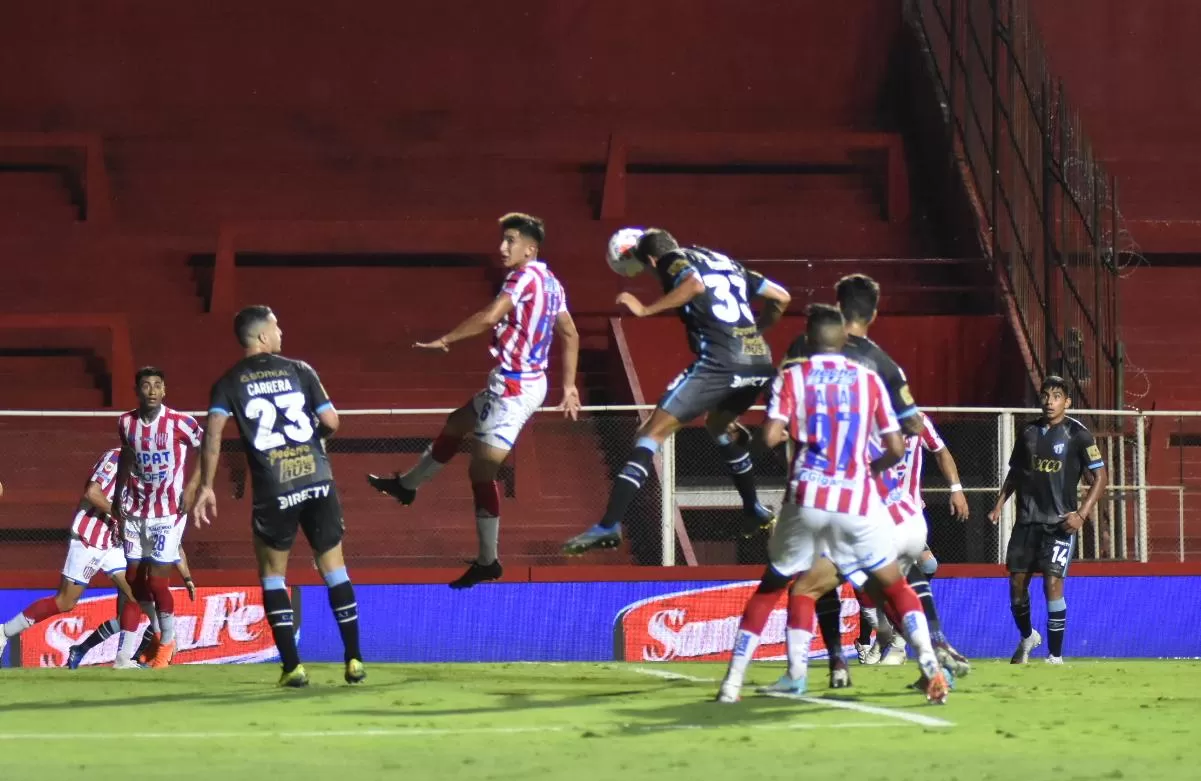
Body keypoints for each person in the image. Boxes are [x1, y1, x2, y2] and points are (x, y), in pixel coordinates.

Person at [715, 305, 949, 704]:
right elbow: (895, 447)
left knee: (783, 587)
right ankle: (931, 666)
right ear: (844, 340)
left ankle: (741, 681)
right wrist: (863, 470)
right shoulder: (869, 380)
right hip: (858, 501)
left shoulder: (795, 377)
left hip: (807, 496)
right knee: (893, 583)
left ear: (807, 339)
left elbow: (770, 437)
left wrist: (746, 441)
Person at [368, 213, 581, 588]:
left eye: (511, 241)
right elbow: (570, 332)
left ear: (530, 249)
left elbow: (489, 316)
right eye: (503, 240)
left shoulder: (522, 277)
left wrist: (446, 340)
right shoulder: (552, 282)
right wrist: (568, 386)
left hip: (515, 389)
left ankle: (488, 561)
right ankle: (407, 487)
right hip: (519, 381)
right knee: (456, 422)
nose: (503, 247)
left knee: (481, 472)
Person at [561, 228, 791, 554]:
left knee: (649, 433)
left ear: (653, 259)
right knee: (718, 425)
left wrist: (645, 310)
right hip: (759, 362)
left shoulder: (671, 259)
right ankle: (753, 507)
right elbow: (781, 297)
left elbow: (693, 284)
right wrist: (758, 329)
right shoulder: (725, 261)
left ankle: (608, 525)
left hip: (720, 363)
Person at [192, 305, 364, 687]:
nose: (281, 331)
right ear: (262, 337)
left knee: (273, 575)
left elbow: (213, 435)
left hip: (275, 486)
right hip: (318, 478)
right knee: (334, 567)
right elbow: (332, 421)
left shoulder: (228, 382)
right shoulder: (301, 370)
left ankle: (293, 667)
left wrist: (206, 486)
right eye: (276, 326)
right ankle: (353, 660)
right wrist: (310, 444)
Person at [783, 273, 929, 686]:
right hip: (876, 504)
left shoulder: (804, 347)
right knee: (887, 586)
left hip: (821, 491)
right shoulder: (883, 366)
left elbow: (783, 420)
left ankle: (827, 665)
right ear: (875, 313)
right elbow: (911, 427)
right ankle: (931, 657)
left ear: (837, 305)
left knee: (806, 585)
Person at [988, 375, 1107, 664]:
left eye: (1056, 397)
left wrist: (1081, 515)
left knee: (1052, 585)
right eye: (1045, 396)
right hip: (1027, 522)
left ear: (1067, 402)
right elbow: (1016, 472)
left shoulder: (1079, 434)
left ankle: (1055, 655)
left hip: (1060, 524)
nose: (1049, 402)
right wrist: (999, 505)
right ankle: (1028, 635)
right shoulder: (1028, 431)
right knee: (1017, 587)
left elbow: (1101, 478)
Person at [857, 411, 972, 682]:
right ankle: (918, 644)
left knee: (882, 581)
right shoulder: (865, 417)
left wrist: (956, 488)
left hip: (897, 515)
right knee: (884, 583)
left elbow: (940, 451)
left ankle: (898, 642)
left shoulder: (915, 419)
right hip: (883, 516)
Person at [0, 448, 141, 663]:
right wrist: (122, 516)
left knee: (136, 594)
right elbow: (92, 493)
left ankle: (123, 661)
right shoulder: (115, 457)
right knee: (65, 602)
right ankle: (4, 632)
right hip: (88, 540)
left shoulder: (148, 467)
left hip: (111, 543)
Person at [111, 367, 202, 669]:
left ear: (164, 391)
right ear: (137, 390)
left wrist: (192, 486)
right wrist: (117, 496)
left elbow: (206, 447)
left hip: (169, 511)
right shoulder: (126, 423)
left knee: (158, 583)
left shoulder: (180, 422)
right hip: (136, 509)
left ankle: (168, 643)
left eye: (157, 386)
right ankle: (160, 632)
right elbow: (126, 456)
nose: (151, 390)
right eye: (146, 385)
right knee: (135, 581)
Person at [67, 549, 196, 669]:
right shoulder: (138, 530)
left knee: (157, 629)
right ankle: (131, 659)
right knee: (123, 621)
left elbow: (178, 549)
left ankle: (136, 659)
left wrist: (187, 578)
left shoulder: (167, 530)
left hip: (153, 580)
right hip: (134, 574)